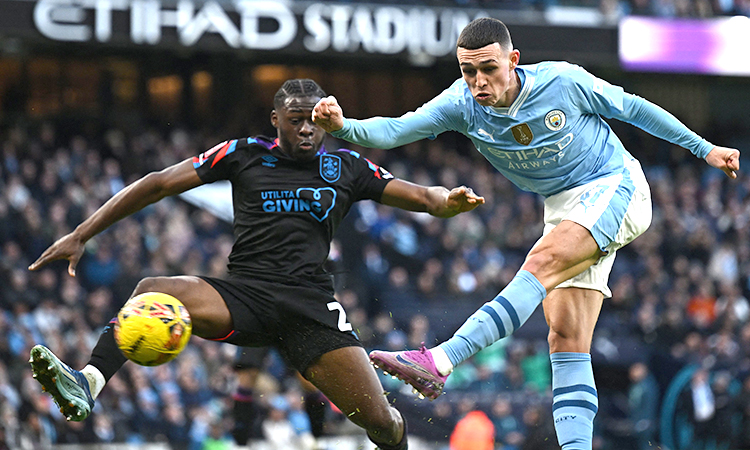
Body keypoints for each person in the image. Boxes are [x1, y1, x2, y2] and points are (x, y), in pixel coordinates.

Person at [312, 17, 741, 450]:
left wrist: (705, 149)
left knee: (539, 264)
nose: (478, 81)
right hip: (560, 206)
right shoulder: (461, 104)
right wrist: (344, 127)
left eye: (488, 69)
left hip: (614, 185)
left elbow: (633, 108)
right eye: (468, 71)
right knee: (566, 340)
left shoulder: (562, 81)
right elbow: (396, 129)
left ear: (513, 60)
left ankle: (442, 358)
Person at [26, 78, 485, 450]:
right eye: (295, 121)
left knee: (383, 425)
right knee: (152, 287)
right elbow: (159, 182)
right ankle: (88, 381)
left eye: (314, 121)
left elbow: (425, 198)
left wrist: (449, 202)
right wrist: (81, 234)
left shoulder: (346, 166)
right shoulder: (243, 154)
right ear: (275, 121)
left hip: (311, 309)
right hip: (244, 295)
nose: (306, 129)